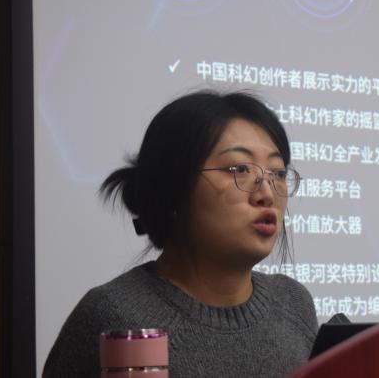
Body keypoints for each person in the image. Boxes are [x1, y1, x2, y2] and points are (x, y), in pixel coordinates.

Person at [43, 90, 318, 377]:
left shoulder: (293, 304)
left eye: (278, 174)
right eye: (239, 169)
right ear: (173, 189)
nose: (267, 194)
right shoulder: (114, 316)